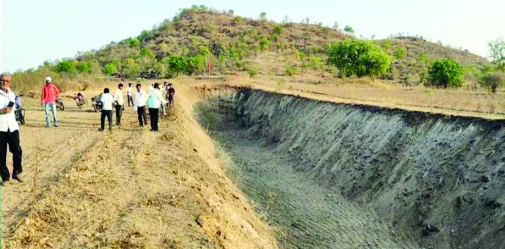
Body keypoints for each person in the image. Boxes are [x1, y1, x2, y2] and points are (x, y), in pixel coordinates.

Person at [0, 73, 23, 185]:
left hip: (12, 127)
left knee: (17, 150)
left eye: (7, 81)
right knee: (1, 154)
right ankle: (5, 177)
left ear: (10, 82)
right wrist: (1, 111)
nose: (4, 83)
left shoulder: (12, 94)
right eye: (2, 80)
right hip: (1, 127)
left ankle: (17, 172)